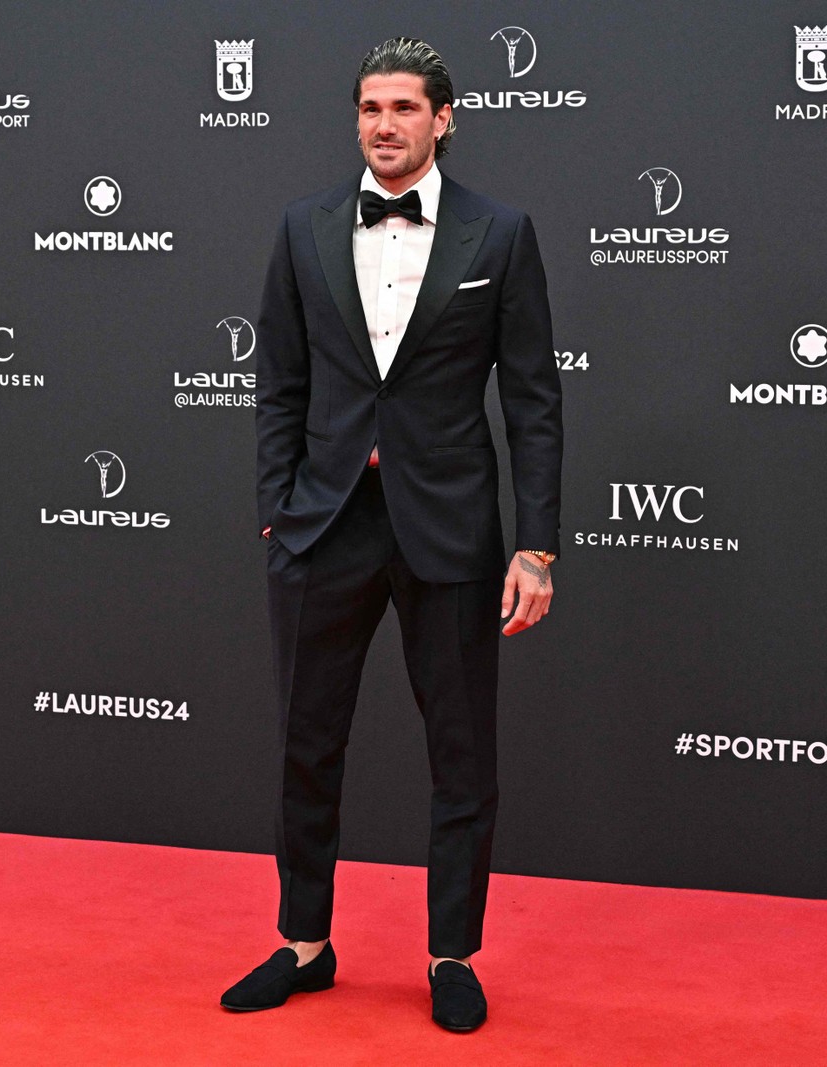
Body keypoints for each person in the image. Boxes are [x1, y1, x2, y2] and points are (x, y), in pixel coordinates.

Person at [221, 37, 562, 1033]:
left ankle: (451, 952)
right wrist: (275, 505)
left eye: (404, 108)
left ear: (443, 118)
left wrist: (534, 544)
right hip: (323, 523)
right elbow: (277, 382)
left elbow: (534, 399)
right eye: (369, 107)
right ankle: (302, 941)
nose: (383, 125)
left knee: (461, 751)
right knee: (303, 741)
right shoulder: (304, 227)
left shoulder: (498, 235)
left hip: (449, 527)